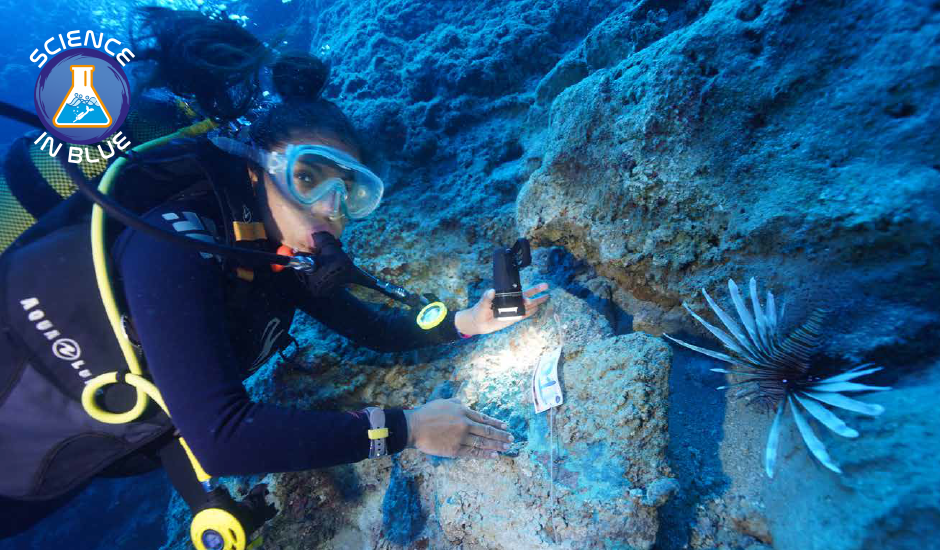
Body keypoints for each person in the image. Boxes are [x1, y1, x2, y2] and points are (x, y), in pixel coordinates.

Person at [0, 7, 549, 542]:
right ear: (254, 164)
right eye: (309, 176)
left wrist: (467, 322)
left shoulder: (265, 255)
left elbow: (372, 329)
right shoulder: (172, 243)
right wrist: (407, 428)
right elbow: (223, 440)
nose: (330, 208)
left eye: (350, 191)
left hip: (54, 465)